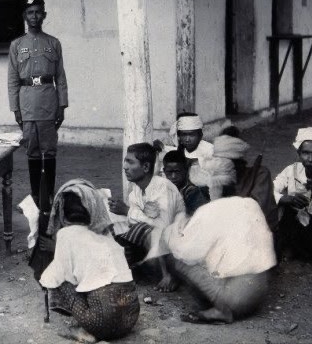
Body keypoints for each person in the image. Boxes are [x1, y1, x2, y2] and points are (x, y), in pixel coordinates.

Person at [40, 179, 140, 343]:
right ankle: (96, 328)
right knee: (89, 278)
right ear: (94, 211)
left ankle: (87, 332)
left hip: (100, 323)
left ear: (63, 216)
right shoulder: (106, 236)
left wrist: (45, 277)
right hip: (130, 320)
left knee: (57, 279)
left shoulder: (66, 234)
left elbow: (58, 277)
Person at [163, 196, 276, 324]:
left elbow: (181, 251)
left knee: (177, 260)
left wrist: (169, 270)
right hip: (258, 296)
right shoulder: (238, 205)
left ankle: (222, 311)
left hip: (235, 302)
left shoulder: (201, 217)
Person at [8, 0, 68, 208]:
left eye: (38, 12)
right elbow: (13, 79)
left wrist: (62, 105)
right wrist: (15, 108)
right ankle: (35, 195)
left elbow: (60, 77)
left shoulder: (53, 43)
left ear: (44, 15)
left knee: (49, 149)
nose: (34, 16)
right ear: (25, 16)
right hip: (27, 103)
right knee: (32, 149)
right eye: (30, 13)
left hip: (48, 101)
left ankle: (48, 195)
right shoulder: (16, 45)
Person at [109, 143, 185, 292]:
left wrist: (127, 211)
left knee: (146, 230)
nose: (125, 166)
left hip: (177, 244)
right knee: (112, 228)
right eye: (125, 161)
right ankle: (130, 269)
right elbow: (135, 219)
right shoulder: (136, 191)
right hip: (156, 247)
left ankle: (169, 275)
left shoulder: (164, 187)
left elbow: (163, 227)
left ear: (145, 167)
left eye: (130, 162)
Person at [273, 127, 312, 264]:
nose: (311, 159)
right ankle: (291, 248)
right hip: (298, 223)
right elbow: (271, 189)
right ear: (299, 154)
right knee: (283, 207)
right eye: (306, 153)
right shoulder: (291, 170)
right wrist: (285, 198)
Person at [214, 130, 279, 233]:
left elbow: (255, 213)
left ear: (238, 161)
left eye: (226, 162)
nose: (221, 166)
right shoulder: (216, 178)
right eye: (218, 161)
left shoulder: (261, 174)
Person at [162, 150, 210, 216]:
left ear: (186, 170)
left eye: (177, 171)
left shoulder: (193, 193)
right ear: (164, 171)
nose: (173, 176)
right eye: (170, 172)